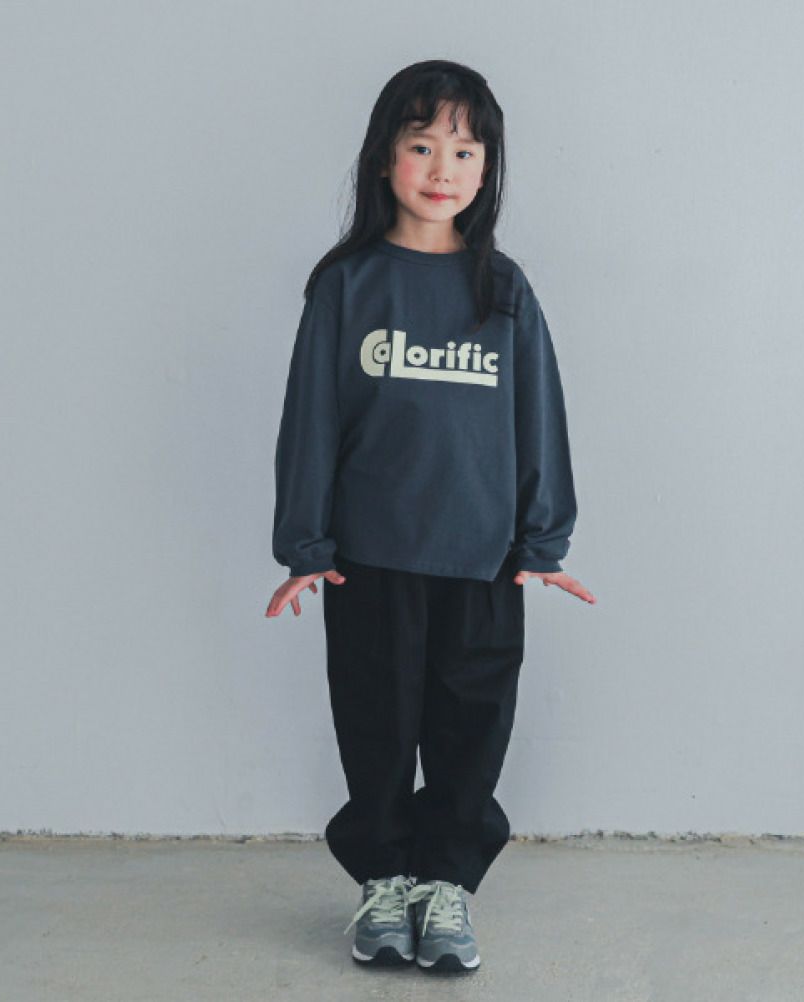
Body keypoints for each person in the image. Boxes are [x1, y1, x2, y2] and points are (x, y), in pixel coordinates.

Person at [265, 59, 596, 974]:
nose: (443, 168)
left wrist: (542, 540)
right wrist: (305, 544)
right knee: (376, 726)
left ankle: (445, 884)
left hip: (482, 559)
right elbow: (310, 421)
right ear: (384, 158)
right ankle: (383, 882)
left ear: (487, 169)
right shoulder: (347, 285)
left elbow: (538, 416)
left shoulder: (505, 291)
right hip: (369, 556)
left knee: (468, 731)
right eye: (422, 146)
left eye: (465, 150)